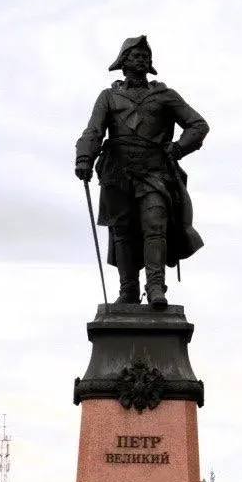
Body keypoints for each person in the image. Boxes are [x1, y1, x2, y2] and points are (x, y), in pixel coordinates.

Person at [75, 35, 208, 308]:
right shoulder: (109, 97)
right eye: (134, 55)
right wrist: (84, 157)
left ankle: (156, 287)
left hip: (155, 173)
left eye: (145, 55)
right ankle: (129, 292)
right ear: (122, 62)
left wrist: (178, 149)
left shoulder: (165, 96)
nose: (140, 59)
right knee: (123, 231)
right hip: (117, 174)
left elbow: (198, 125)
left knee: (154, 225)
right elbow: (94, 130)